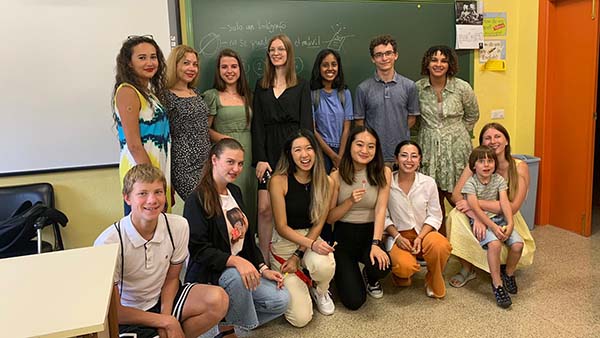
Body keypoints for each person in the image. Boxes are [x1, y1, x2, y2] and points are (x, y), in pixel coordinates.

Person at [94, 164, 228, 338]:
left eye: (158, 192)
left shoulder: (178, 226)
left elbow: (172, 278)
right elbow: (114, 312)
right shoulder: (108, 242)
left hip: (164, 299)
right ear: (127, 198)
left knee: (219, 299)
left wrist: (166, 316)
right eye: (142, 193)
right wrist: (165, 322)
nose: (152, 200)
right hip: (128, 312)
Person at [183, 139, 289, 337]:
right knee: (236, 277)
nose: (236, 168)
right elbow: (198, 250)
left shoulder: (235, 192)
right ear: (214, 160)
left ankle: (223, 324)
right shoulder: (196, 199)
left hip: (238, 270)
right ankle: (231, 329)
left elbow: (247, 239)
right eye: (230, 162)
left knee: (281, 299)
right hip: (211, 274)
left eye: (240, 163)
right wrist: (235, 261)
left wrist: (263, 268)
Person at [447, 123, 535, 291]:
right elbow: (456, 196)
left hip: (505, 216)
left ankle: (507, 272)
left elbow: (513, 206)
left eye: (497, 136)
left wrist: (476, 205)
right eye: (487, 138)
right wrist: (477, 215)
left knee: (515, 243)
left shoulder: (519, 167)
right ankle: (467, 268)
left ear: (507, 141)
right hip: (478, 214)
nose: (493, 141)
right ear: (481, 143)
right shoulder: (476, 163)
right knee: (454, 216)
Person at [252, 34, 313, 263]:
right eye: (272, 50)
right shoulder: (261, 86)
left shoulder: (301, 85)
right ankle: (265, 261)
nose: (276, 53)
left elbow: (306, 124)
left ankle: (297, 258)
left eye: (281, 49)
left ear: (288, 53)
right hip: (268, 153)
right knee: (265, 209)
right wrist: (260, 158)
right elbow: (257, 124)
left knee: (293, 207)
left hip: (294, 153)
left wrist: (304, 156)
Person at [269, 130, 336, 327]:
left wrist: (300, 253)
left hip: (310, 236)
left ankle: (320, 290)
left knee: (323, 266)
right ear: (289, 154)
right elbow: (281, 227)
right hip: (284, 241)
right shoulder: (278, 180)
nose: (304, 155)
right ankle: (302, 283)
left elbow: (319, 223)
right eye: (297, 150)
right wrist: (308, 247)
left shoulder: (327, 181)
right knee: (300, 319)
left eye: (308, 148)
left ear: (316, 152)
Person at [415, 45, 479, 232]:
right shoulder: (418, 88)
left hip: (457, 151)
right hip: (428, 149)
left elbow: (472, 115)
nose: (438, 64)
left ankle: (472, 244)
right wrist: (432, 133)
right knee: (432, 199)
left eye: (443, 60)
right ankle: (439, 243)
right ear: (427, 63)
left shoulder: (462, 87)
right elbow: (415, 120)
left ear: (450, 64)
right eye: (434, 60)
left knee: (460, 197)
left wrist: (455, 134)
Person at [327, 126, 391, 310]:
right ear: (350, 146)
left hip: (369, 235)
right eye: (360, 145)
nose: (365, 151)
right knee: (354, 302)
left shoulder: (383, 172)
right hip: (344, 239)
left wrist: (376, 243)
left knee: (382, 266)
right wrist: (349, 201)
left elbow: (380, 210)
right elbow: (330, 218)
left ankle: (370, 278)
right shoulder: (336, 176)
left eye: (371, 146)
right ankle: (345, 272)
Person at [112, 35, 172, 214]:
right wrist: (154, 183)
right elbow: (134, 145)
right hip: (141, 177)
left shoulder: (149, 93)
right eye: (142, 57)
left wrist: (166, 182)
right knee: (141, 235)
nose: (150, 62)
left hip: (156, 173)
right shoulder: (127, 92)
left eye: (153, 57)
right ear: (129, 63)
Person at [384, 140, 452, 299]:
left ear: (419, 160)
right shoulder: (387, 183)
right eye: (404, 156)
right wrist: (397, 237)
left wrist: (421, 237)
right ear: (396, 159)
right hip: (398, 236)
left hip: (424, 232)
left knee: (441, 245)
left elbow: (435, 215)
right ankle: (402, 275)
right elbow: (384, 216)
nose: (409, 160)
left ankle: (432, 278)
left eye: (414, 156)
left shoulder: (428, 183)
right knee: (404, 268)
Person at [458, 145, 522, 308]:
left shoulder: (499, 180)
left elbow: (504, 203)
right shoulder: (470, 184)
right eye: (481, 161)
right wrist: (492, 227)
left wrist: (510, 222)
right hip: (483, 221)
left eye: (490, 161)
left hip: (500, 220)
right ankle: (497, 283)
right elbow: (475, 207)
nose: (486, 165)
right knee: (494, 245)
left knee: (517, 245)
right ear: (474, 165)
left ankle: (508, 273)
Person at [203, 48, 257, 229]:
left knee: (250, 199)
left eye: (234, 66)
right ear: (218, 71)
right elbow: (205, 129)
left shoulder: (248, 96)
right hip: (226, 156)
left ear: (240, 69)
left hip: (248, 156)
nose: (229, 71)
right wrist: (223, 139)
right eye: (224, 67)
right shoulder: (212, 96)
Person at [354, 34, 420, 165]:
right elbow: (359, 122)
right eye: (379, 55)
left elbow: (412, 119)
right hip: (373, 156)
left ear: (395, 55)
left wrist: (396, 132)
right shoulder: (363, 88)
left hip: (401, 155)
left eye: (388, 53)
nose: (384, 58)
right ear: (373, 59)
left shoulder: (409, 86)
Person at [164, 45, 211, 201]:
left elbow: (202, 126)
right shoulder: (165, 96)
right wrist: (167, 179)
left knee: (212, 209)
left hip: (206, 162)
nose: (192, 68)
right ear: (174, 65)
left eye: (195, 64)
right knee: (202, 204)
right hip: (184, 165)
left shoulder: (195, 92)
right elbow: (164, 135)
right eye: (186, 63)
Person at [309, 49, 353, 173]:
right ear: (319, 68)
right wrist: (333, 156)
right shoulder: (312, 94)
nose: (330, 68)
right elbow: (313, 129)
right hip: (321, 151)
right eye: (325, 65)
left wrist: (340, 156)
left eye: (334, 64)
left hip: (343, 151)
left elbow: (346, 129)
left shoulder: (345, 93)